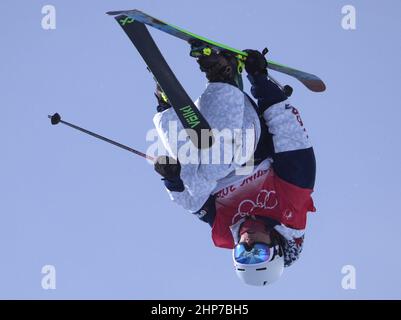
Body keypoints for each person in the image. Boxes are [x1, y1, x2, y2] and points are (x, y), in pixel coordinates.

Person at [152, 46, 316, 286]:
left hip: (204, 138)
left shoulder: (224, 231)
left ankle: (166, 102)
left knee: (191, 186)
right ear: (277, 246)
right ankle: (221, 74)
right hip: (244, 132)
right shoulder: (291, 204)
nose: (247, 243)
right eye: (258, 252)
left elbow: (193, 200)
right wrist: (260, 79)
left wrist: (173, 179)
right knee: (215, 166)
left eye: (242, 254)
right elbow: (288, 132)